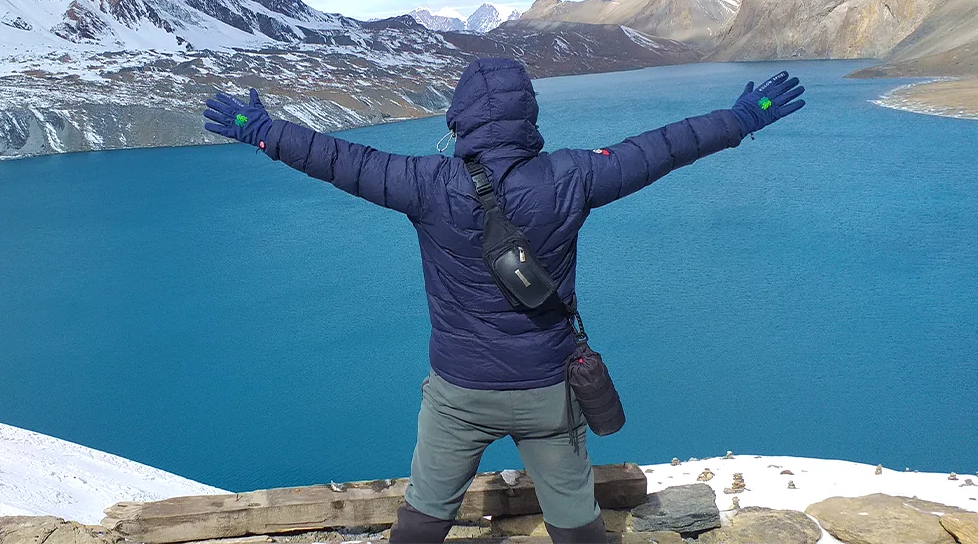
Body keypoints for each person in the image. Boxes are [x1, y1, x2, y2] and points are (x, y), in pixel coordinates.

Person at [203, 58, 806, 544]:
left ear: (459, 118)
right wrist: (743, 118)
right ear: (529, 116)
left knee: (424, 514)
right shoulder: (573, 176)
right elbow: (663, 148)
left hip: (458, 394)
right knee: (574, 520)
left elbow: (338, 159)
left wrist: (261, 129)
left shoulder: (425, 183)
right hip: (547, 391)